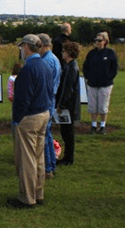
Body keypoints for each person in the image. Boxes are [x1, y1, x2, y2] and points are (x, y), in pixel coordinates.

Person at [9, 34, 52, 209]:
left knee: (27, 159)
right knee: (38, 156)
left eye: (22, 47)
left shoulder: (28, 69)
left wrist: (17, 119)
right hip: (43, 113)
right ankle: (38, 192)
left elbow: (23, 99)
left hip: (30, 117)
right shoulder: (44, 65)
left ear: (27, 47)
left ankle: (27, 197)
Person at [82, 31, 118, 135]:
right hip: (92, 83)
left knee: (103, 106)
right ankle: (93, 125)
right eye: (96, 40)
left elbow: (114, 68)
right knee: (92, 106)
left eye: (99, 40)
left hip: (105, 84)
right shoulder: (91, 53)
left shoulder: (110, 53)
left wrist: (108, 77)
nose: (97, 42)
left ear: (105, 41)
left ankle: (102, 126)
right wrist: (88, 77)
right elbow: (86, 66)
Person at [38, 33, 61, 178]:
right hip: (51, 100)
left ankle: (47, 168)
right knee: (48, 134)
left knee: (44, 137)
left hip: (46, 101)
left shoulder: (47, 61)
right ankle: (51, 164)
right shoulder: (54, 59)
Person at [56, 42, 81, 166]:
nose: (62, 53)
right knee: (65, 131)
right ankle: (67, 156)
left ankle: (68, 158)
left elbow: (68, 89)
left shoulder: (71, 68)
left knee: (68, 132)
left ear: (70, 52)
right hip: (68, 105)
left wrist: (62, 105)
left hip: (69, 106)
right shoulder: (69, 66)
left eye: (64, 51)